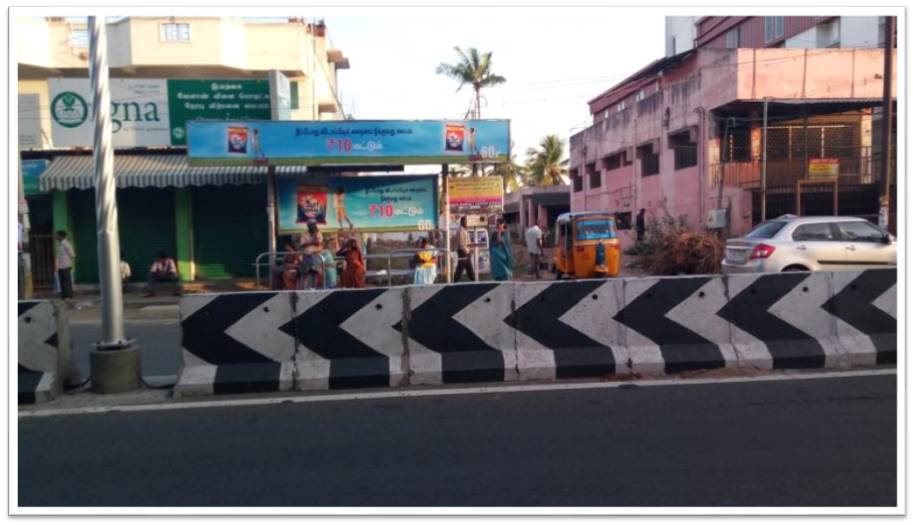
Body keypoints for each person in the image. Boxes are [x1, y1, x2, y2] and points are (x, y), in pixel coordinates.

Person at [298, 221, 324, 288]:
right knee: (305, 272)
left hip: (316, 256)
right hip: (307, 256)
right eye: (310, 226)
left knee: (316, 272)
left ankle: (318, 287)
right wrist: (311, 242)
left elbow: (318, 243)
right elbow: (302, 245)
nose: (312, 228)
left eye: (313, 226)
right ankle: (303, 287)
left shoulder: (318, 234)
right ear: (308, 227)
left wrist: (315, 234)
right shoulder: (304, 234)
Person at [453, 216, 475, 282]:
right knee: (461, 266)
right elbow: (461, 243)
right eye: (466, 221)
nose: (467, 223)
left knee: (467, 266)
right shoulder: (461, 231)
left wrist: (470, 250)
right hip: (463, 251)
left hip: (466, 251)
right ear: (463, 222)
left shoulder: (465, 230)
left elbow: (467, 242)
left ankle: (473, 279)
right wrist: (466, 251)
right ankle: (456, 280)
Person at [55, 230, 75, 300]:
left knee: (66, 281)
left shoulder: (66, 244)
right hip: (61, 266)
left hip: (66, 265)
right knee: (62, 282)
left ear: (61, 236)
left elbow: (72, 255)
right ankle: (64, 296)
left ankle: (68, 295)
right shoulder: (60, 245)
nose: (56, 237)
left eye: (57, 235)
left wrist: (67, 261)